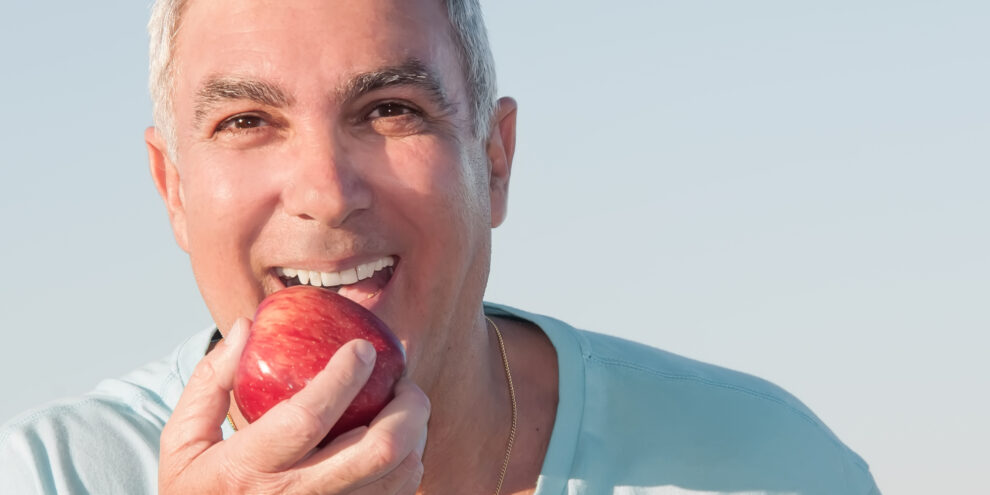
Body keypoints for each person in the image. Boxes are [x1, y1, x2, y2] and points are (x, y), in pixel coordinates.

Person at [0, 0, 881, 493]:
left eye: (390, 109)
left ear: (493, 162)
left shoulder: (762, 466)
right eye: (246, 120)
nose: (325, 191)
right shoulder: (43, 477)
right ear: (174, 191)